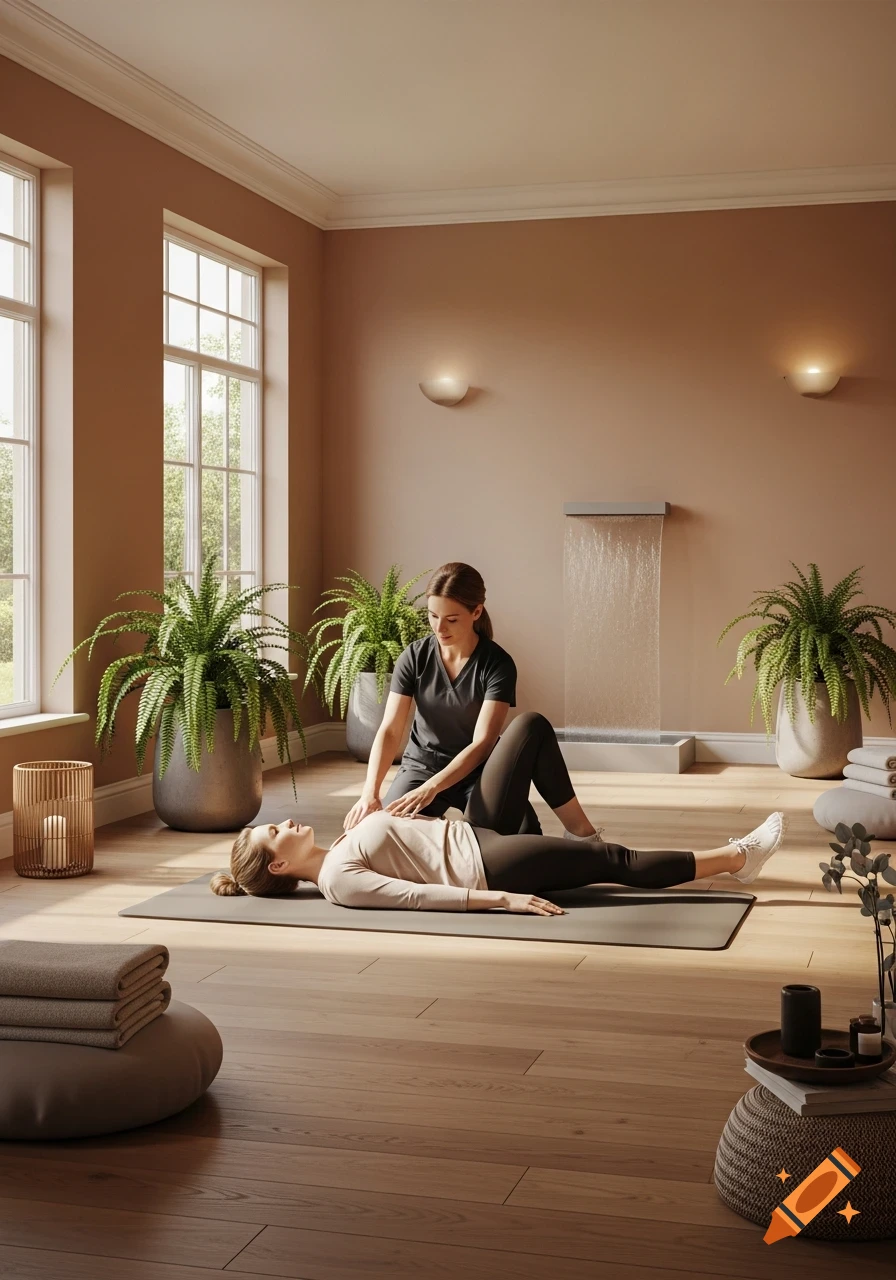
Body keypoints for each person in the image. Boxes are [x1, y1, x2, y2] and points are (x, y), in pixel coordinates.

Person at [211, 712, 787, 913]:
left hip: (474, 834)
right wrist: (504, 900)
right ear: (280, 866)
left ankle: (577, 834)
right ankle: (737, 859)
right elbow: (419, 897)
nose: (285, 822)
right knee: (609, 861)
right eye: (274, 832)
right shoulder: (339, 879)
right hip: (488, 867)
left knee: (528, 726)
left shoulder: (341, 845)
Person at [343, 561, 544, 835]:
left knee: (524, 835)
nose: (439, 628)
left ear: (476, 612)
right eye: (433, 615)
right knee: (389, 832)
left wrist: (432, 788)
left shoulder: (498, 664)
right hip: (422, 766)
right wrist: (370, 792)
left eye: (451, 619)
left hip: (479, 770)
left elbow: (483, 743)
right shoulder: (414, 657)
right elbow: (390, 730)